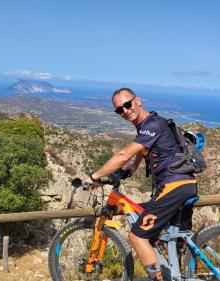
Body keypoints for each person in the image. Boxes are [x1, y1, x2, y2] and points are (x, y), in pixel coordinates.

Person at [83, 87, 197, 281]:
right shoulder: (148, 125)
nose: (125, 111)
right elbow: (143, 150)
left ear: (138, 101)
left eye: (127, 105)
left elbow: (122, 155)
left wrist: (94, 177)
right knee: (166, 238)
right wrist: (132, 168)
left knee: (136, 236)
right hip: (184, 183)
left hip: (174, 185)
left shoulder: (151, 125)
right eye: (119, 110)